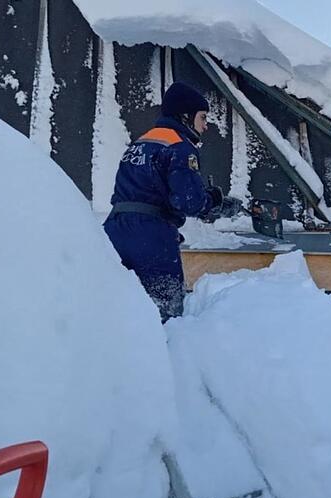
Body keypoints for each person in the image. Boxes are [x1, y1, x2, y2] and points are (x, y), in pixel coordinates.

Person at [103, 82, 243, 322]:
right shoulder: (180, 147)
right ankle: (161, 357)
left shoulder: (142, 142)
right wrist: (217, 203)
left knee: (116, 309)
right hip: (151, 237)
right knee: (165, 310)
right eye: (202, 117)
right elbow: (189, 201)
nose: (205, 125)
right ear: (186, 116)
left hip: (114, 231)